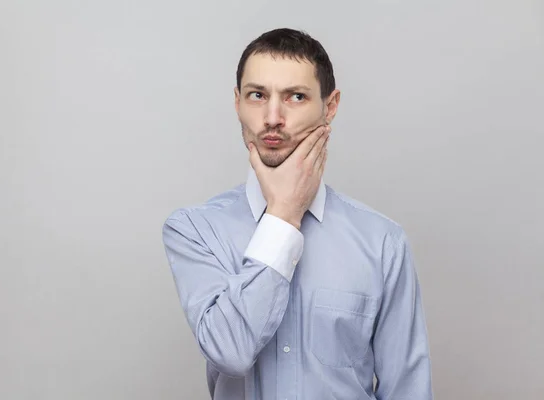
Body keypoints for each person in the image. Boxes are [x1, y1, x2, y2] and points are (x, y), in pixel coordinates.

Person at [162, 27, 433, 399]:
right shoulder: (195, 230)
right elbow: (230, 352)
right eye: (257, 95)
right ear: (237, 102)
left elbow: (408, 389)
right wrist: (285, 214)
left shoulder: (382, 241)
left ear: (330, 106)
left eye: (295, 97)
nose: (272, 117)